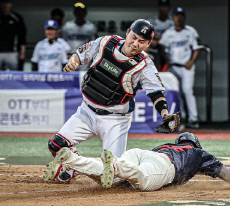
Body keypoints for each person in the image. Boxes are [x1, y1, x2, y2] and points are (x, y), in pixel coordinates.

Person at [46, 19, 180, 183]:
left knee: (115, 178)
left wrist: (165, 114)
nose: (135, 43)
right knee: (56, 145)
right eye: (134, 37)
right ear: (128, 32)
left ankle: (76, 164)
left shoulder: (145, 65)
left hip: (115, 121)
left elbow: (156, 94)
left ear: (148, 44)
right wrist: (73, 60)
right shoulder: (106, 42)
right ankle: (73, 165)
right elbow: (80, 55)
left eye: (141, 41)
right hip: (86, 112)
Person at [44, 132, 230, 191]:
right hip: (164, 165)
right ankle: (114, 165)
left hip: (143, 152)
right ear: (195, 144)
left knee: (115, 179)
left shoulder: (165, 145)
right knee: (143, 181)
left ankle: (72, 159)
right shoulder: (199, 154)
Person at [159, 7, 201, 129]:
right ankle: (181, 118)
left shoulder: (190, 31)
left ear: (184, 17)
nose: (179, 18)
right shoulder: (168, 33)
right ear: (173, 17)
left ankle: (193, 119)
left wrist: (192, 61)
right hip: (173, 67)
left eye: (181, 15)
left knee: (187, 91)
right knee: (176, 93)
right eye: (177, 15)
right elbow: (161, 50)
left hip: (186, 66)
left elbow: (197, 48)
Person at [61, 2, 96, 71]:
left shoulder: (90, 27)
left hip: (84, 58)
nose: (79, 13)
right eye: (77, 11)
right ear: (74, 13)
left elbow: (93, 44)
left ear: (85, 13)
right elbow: (63, 42)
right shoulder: (67, 26)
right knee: (70, 79)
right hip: (70, 57)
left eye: (81, 11)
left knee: (82, 79)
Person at [147, 0, 174, 71]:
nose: (163, 9)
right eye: (161, 6)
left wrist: (159, 37)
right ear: (158, 8)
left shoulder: (173, 22)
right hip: (154, 52)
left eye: (165, 6)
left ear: (168, 8)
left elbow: (176, 36)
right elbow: (146, 35)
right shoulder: (151, 21)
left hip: (169, 52)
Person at [0, 0, 26, 71]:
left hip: (12, 52)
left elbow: (22, 36)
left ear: (11, 4)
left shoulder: (16, 18)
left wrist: (22, 52)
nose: (5, 5)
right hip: (0, 51)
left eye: (7, 3)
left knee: (14, 75)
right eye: (3, 3)